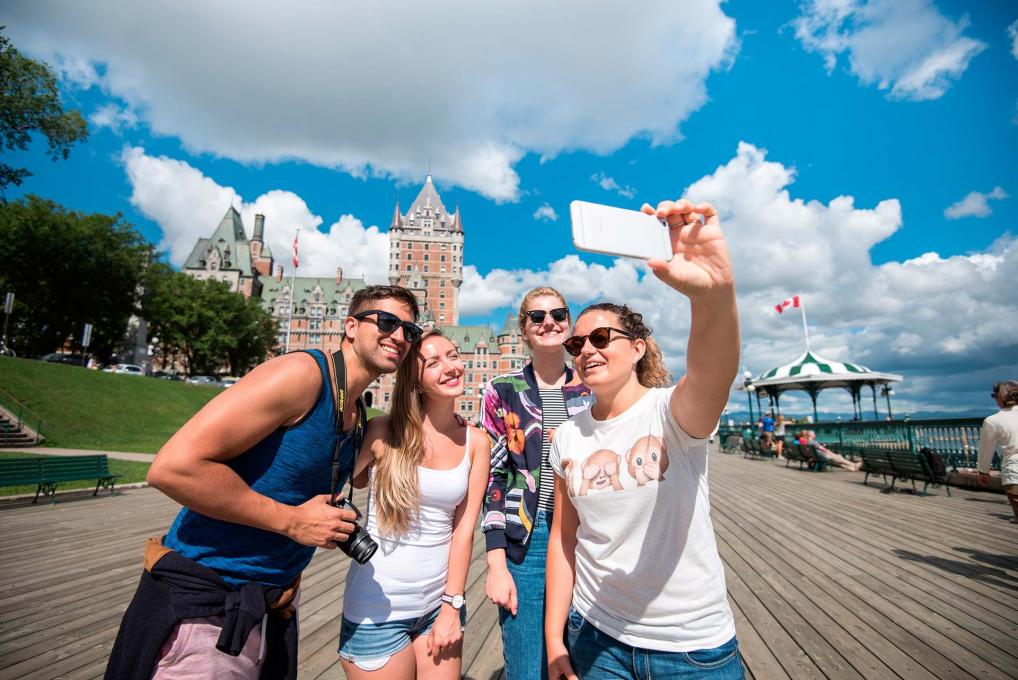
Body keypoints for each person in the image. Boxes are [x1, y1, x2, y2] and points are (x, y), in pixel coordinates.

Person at [105, 285, 422, 680]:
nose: (399, 336)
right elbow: (173, 467)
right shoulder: (302, 375)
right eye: (388, 322)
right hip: (206, 608)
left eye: (410, 331)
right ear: (351, 326)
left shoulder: (355, 411)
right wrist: (291, 521)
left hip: (269, 605)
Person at [545, 198, 744, 679]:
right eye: (576, 344)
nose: (585, 349)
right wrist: (555, 640)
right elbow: (564, 537)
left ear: (637, 349)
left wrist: (713, 295)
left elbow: (713, 370)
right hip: (595, 636)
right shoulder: (567, 436)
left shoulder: (671, 412)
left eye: (600, 338)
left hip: (690, 648)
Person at [338, 329, 490, 679]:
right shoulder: (381, 432)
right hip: (374, 609)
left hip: (440, 606)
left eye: (453, 355)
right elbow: (334, 488)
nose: (450, 367)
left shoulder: (477, 441)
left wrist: (453, 605)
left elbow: (464, 529)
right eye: (433, 362)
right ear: (416, 380)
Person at [481, 287, 594, 680]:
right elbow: (494, 480)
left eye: (559, 314)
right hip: (524, 539)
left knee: (579, 661)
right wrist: (495, 560)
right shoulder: (502, 390)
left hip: (588, 539)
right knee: (527, 663)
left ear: (569, 323)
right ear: (524, 330)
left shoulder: (593, 389)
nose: (549, 322)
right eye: (537, 317)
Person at [977, 381, 1018, 522]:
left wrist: (983, 471)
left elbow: (985, 450)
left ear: (1000, 397)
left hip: (1015, 473)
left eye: (994, 395)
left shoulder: (993, 421)